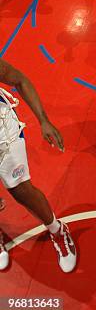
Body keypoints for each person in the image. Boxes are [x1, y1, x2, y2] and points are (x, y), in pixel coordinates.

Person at [0, 59, 77, 272]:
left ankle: (57, 229)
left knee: (21, 191)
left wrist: (43, 120)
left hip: (2, 131)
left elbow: (20, 80)